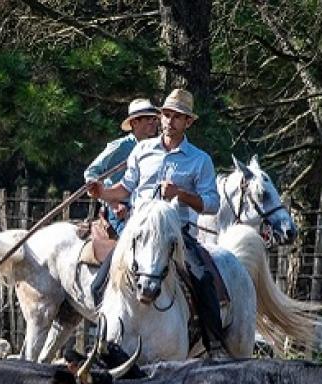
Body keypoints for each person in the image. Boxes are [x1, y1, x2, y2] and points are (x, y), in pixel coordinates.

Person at [85, 88, 228, 354]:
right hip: (137, 235)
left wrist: (180, 194)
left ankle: (214, 342)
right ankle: (103, 340)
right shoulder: (142, 151)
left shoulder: (200, 160)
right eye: (166, 114)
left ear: (189, 122)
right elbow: (126, 188)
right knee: (97, 284)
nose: (170, 121)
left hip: (176, 235)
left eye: (178, 116)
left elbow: (212, 203)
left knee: (204, 279)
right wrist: (102, 192)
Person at [83, 98, 160, 236]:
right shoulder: (120, 146)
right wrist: (112, 203)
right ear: (135, 122)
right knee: (132, 242)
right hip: (119, 210)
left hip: (146, 208)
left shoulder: (157, 149)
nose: (154, 122)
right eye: (148, 119)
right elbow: (91, 172)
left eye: (155, 119)